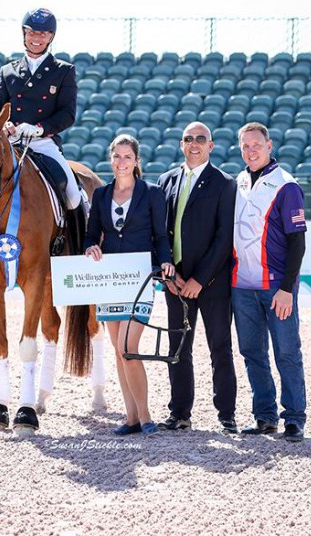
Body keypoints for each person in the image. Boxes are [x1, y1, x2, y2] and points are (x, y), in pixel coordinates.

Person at [0, 7, 82, 291]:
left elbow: (68, 114)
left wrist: (40, 128)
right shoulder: (8, 71)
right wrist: (4, 125)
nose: (37, 38)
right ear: (24, 34)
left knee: (72, 195)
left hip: (43, 143)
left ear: (51, 37)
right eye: (32, 32)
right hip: (10, 143)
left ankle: (76, 255)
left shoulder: (63, 72)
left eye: (43, 33)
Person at [84, 134, 174, 436]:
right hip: (110, 278)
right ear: (111, 159)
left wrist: (166, 261)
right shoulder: (100, 195)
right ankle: (132, 419)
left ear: (136, 161)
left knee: (129, 347)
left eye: (127, 156)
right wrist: (89, 248)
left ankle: (147, 417)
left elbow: (161, 236)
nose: (122, 162)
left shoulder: (152, 193)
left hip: (140, 279)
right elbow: (91, 234)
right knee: (118, 350)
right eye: (117, 156)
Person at [157, 122, 238, 433]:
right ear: (181, 144)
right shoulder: (166, 180)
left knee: (219, 348)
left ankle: (226, 415)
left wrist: (199, 280)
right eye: (188, 138)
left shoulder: (224, 183)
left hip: (212, 284)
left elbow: (224, 238)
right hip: (175, 283)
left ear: (211, 145)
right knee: (177, 349)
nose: (194, 143)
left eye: (200, 139)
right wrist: (168, 270)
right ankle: (179, 412)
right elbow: (160, 232)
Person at [232, 122, 307, 442]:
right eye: (245, 146)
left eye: (256, 145)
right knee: (252, 353)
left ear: (269, 145)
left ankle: (294, 418)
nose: (251, 150)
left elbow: (298, 243)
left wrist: (288, 289)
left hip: (276, 287)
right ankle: (265, 417)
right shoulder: (236, 183)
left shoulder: (286, 185)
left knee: (287, 352)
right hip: (241, 287)